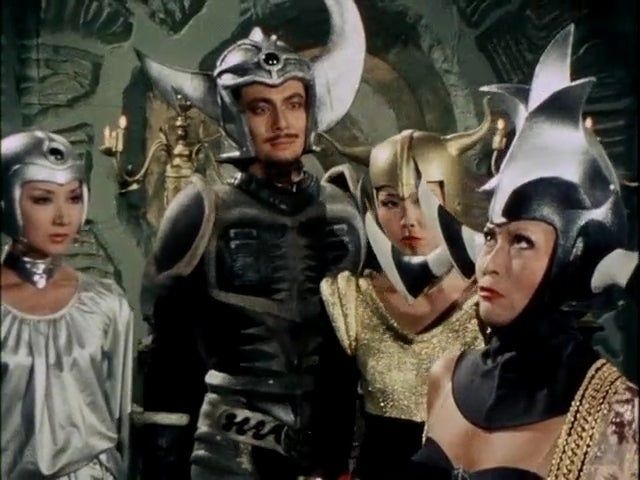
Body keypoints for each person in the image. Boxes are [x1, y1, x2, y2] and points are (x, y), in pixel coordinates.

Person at [379, 25, 638, 479]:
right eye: (491, 236)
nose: (491, 265)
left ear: (571, 257)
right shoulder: (445, 375)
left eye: (522, 242)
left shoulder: (618, 413)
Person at [135, 0, 367, 478]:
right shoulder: (202, 209)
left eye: (294, 104)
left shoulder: (344, 212)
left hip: (323, 454)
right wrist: (161, 462)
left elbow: (357, 351)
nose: (282, 124)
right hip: (228, 452)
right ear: (236, 115)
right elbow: (166, 352)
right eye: (262, 108)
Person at [319, 113, 491, 478]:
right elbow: (331, 422)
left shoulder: (491, 296)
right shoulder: (351, 298)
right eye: (391, 202)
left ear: (452, 198)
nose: (408, 219)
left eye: (424, 199)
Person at [0, 130, 133, 479]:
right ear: (7, 202)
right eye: (43, 199)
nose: (63, 217)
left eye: (73, 198)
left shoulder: (106, 304)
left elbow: (120, 419)